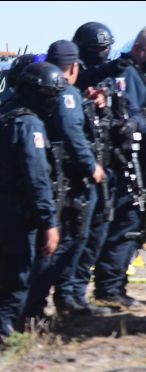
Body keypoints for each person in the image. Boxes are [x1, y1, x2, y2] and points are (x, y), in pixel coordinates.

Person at [0, 62, 63, 344]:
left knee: (3, 278)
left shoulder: (1, 116)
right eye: (50, 93)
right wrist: (49, 222)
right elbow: (37, 178)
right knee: (15, 280)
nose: (53, 99)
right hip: (15, 213)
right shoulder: (29, 125)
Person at [23, 41, 108, 320]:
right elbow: (71, 131)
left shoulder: (44, 91)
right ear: (73, 67)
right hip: (71, 177)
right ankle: (67, 298)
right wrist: (91, 166)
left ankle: (49, 301)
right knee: (76, 238)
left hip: (52, 176)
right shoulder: (67, 92)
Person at [74, 26, 146, 309]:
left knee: (130, 227)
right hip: (119, 163)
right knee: (123, 226)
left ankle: (114, 286)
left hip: (134, 162)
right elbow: (124, 118)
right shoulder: (123, 74)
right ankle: (109, 287)